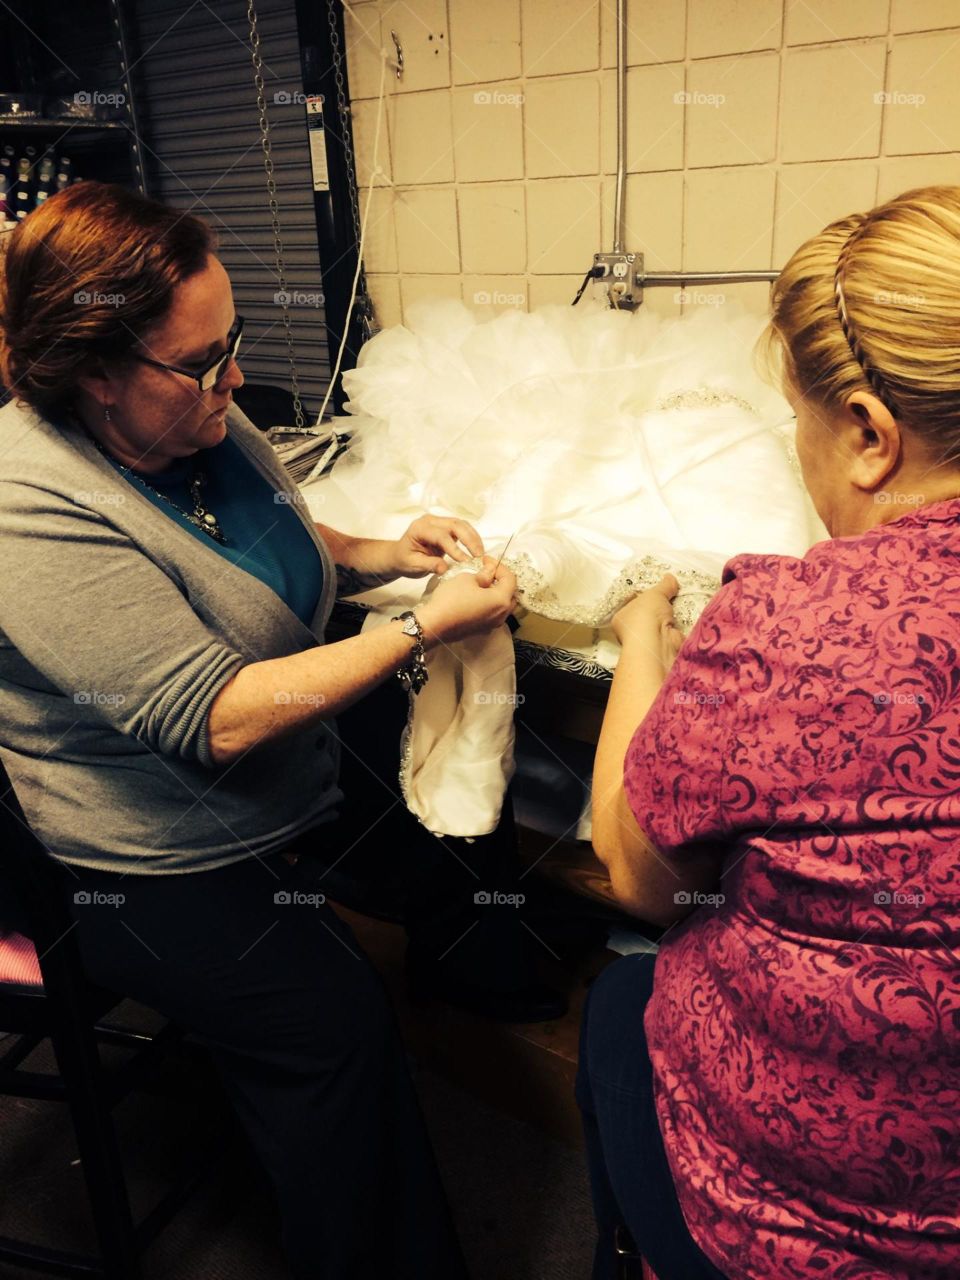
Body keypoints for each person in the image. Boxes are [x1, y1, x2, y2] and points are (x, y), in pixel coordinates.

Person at [0, 180, 522, 1279]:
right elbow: (215, 719)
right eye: (203, 364)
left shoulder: (194, 406)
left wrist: (385, 550)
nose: (233, 380)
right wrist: (423, 626)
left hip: (279, 766)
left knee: (451, 822)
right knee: (332, 1028)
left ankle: (487, 978)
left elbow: (271, 529)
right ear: (93, 375)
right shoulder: (26, 502)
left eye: (229, 344)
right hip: (144, 851)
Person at [579, 184, 960, 1280]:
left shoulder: (786, 622)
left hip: (812, 1233)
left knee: (620, 997)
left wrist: (641, 632)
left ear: (869, 435)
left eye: (796, 415)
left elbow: (639, 874)